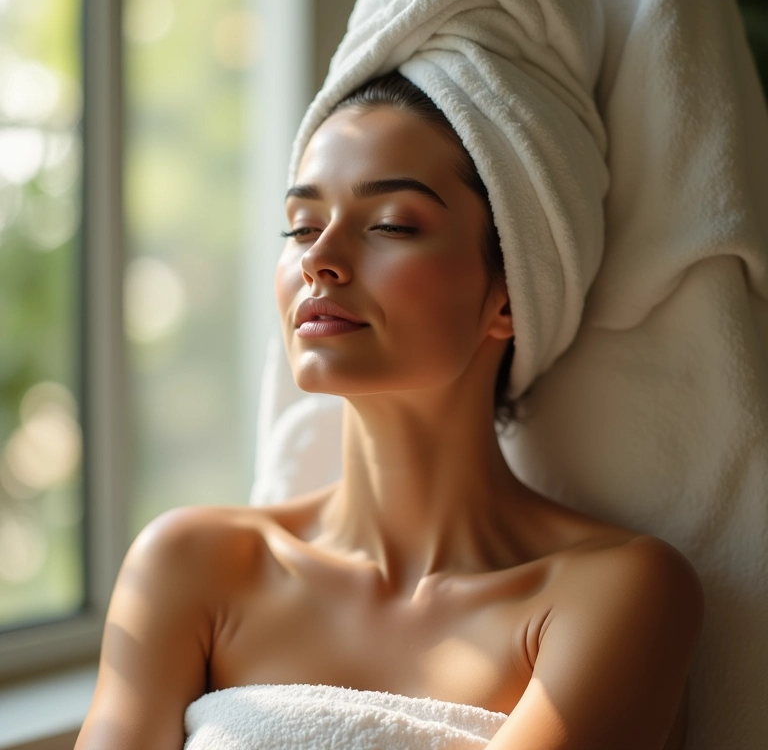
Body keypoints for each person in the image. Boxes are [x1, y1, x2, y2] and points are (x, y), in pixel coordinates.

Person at [75, 72, 704, 750]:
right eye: (302, 226)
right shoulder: (191, 565)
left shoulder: (619, 593)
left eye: (391, 225)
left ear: (510, 293)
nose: (319, 259)